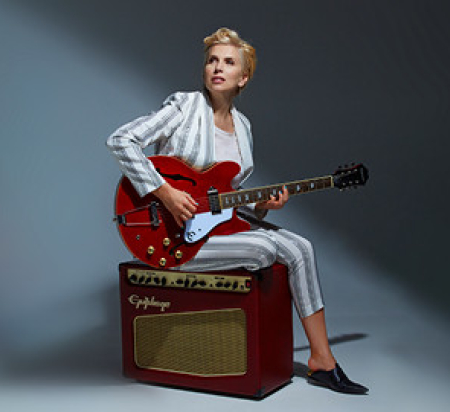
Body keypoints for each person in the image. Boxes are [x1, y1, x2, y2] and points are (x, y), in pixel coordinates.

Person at [106, 27, 368, 395]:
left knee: (301, 248)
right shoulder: (184, 107)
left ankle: (322, 361)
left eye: (228, 62)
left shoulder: (243, 127)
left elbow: (226, 196)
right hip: (170, 235)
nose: (218, 67)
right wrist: (165, 193)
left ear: (243, 77)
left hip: (215, 229)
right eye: (212, 60)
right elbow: (121, 140)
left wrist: (261, 205)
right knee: (263, 249)